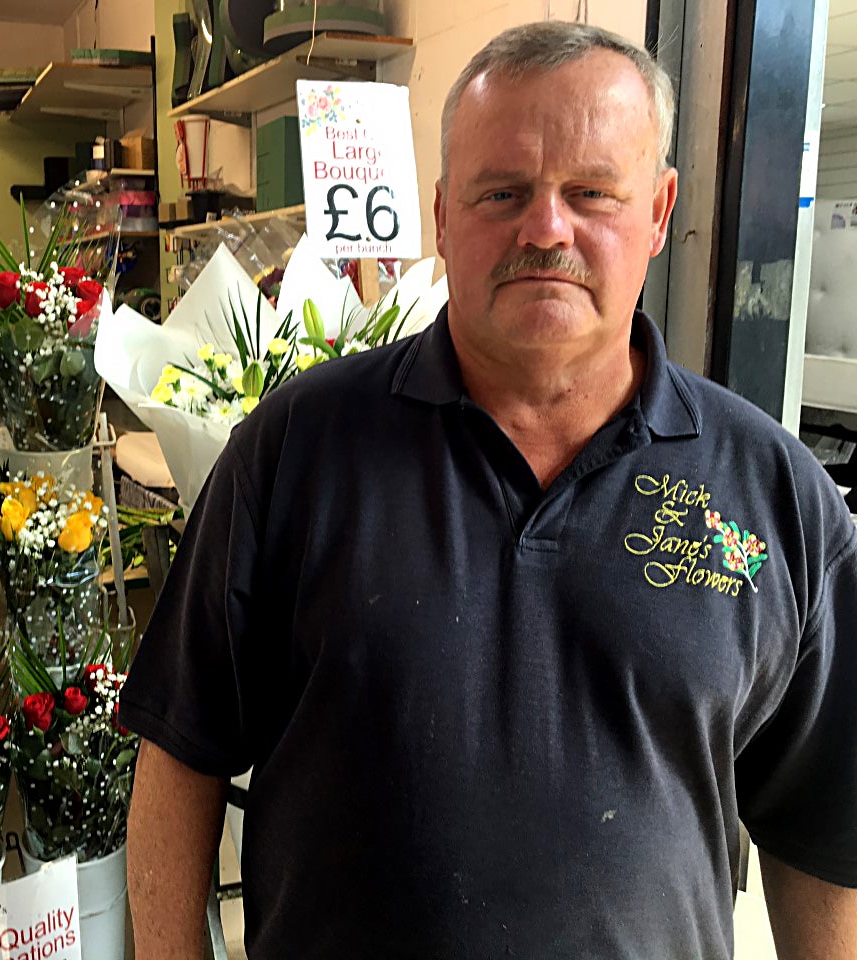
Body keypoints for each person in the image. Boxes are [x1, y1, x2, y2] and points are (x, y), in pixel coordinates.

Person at [120, 21, 857, 960]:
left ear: (662, 210)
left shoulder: (772, 493)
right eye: (501, 192)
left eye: (591, 192)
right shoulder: (297, 449)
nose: (546, 228)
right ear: (440, 215)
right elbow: (181, 752)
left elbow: (825, 829)